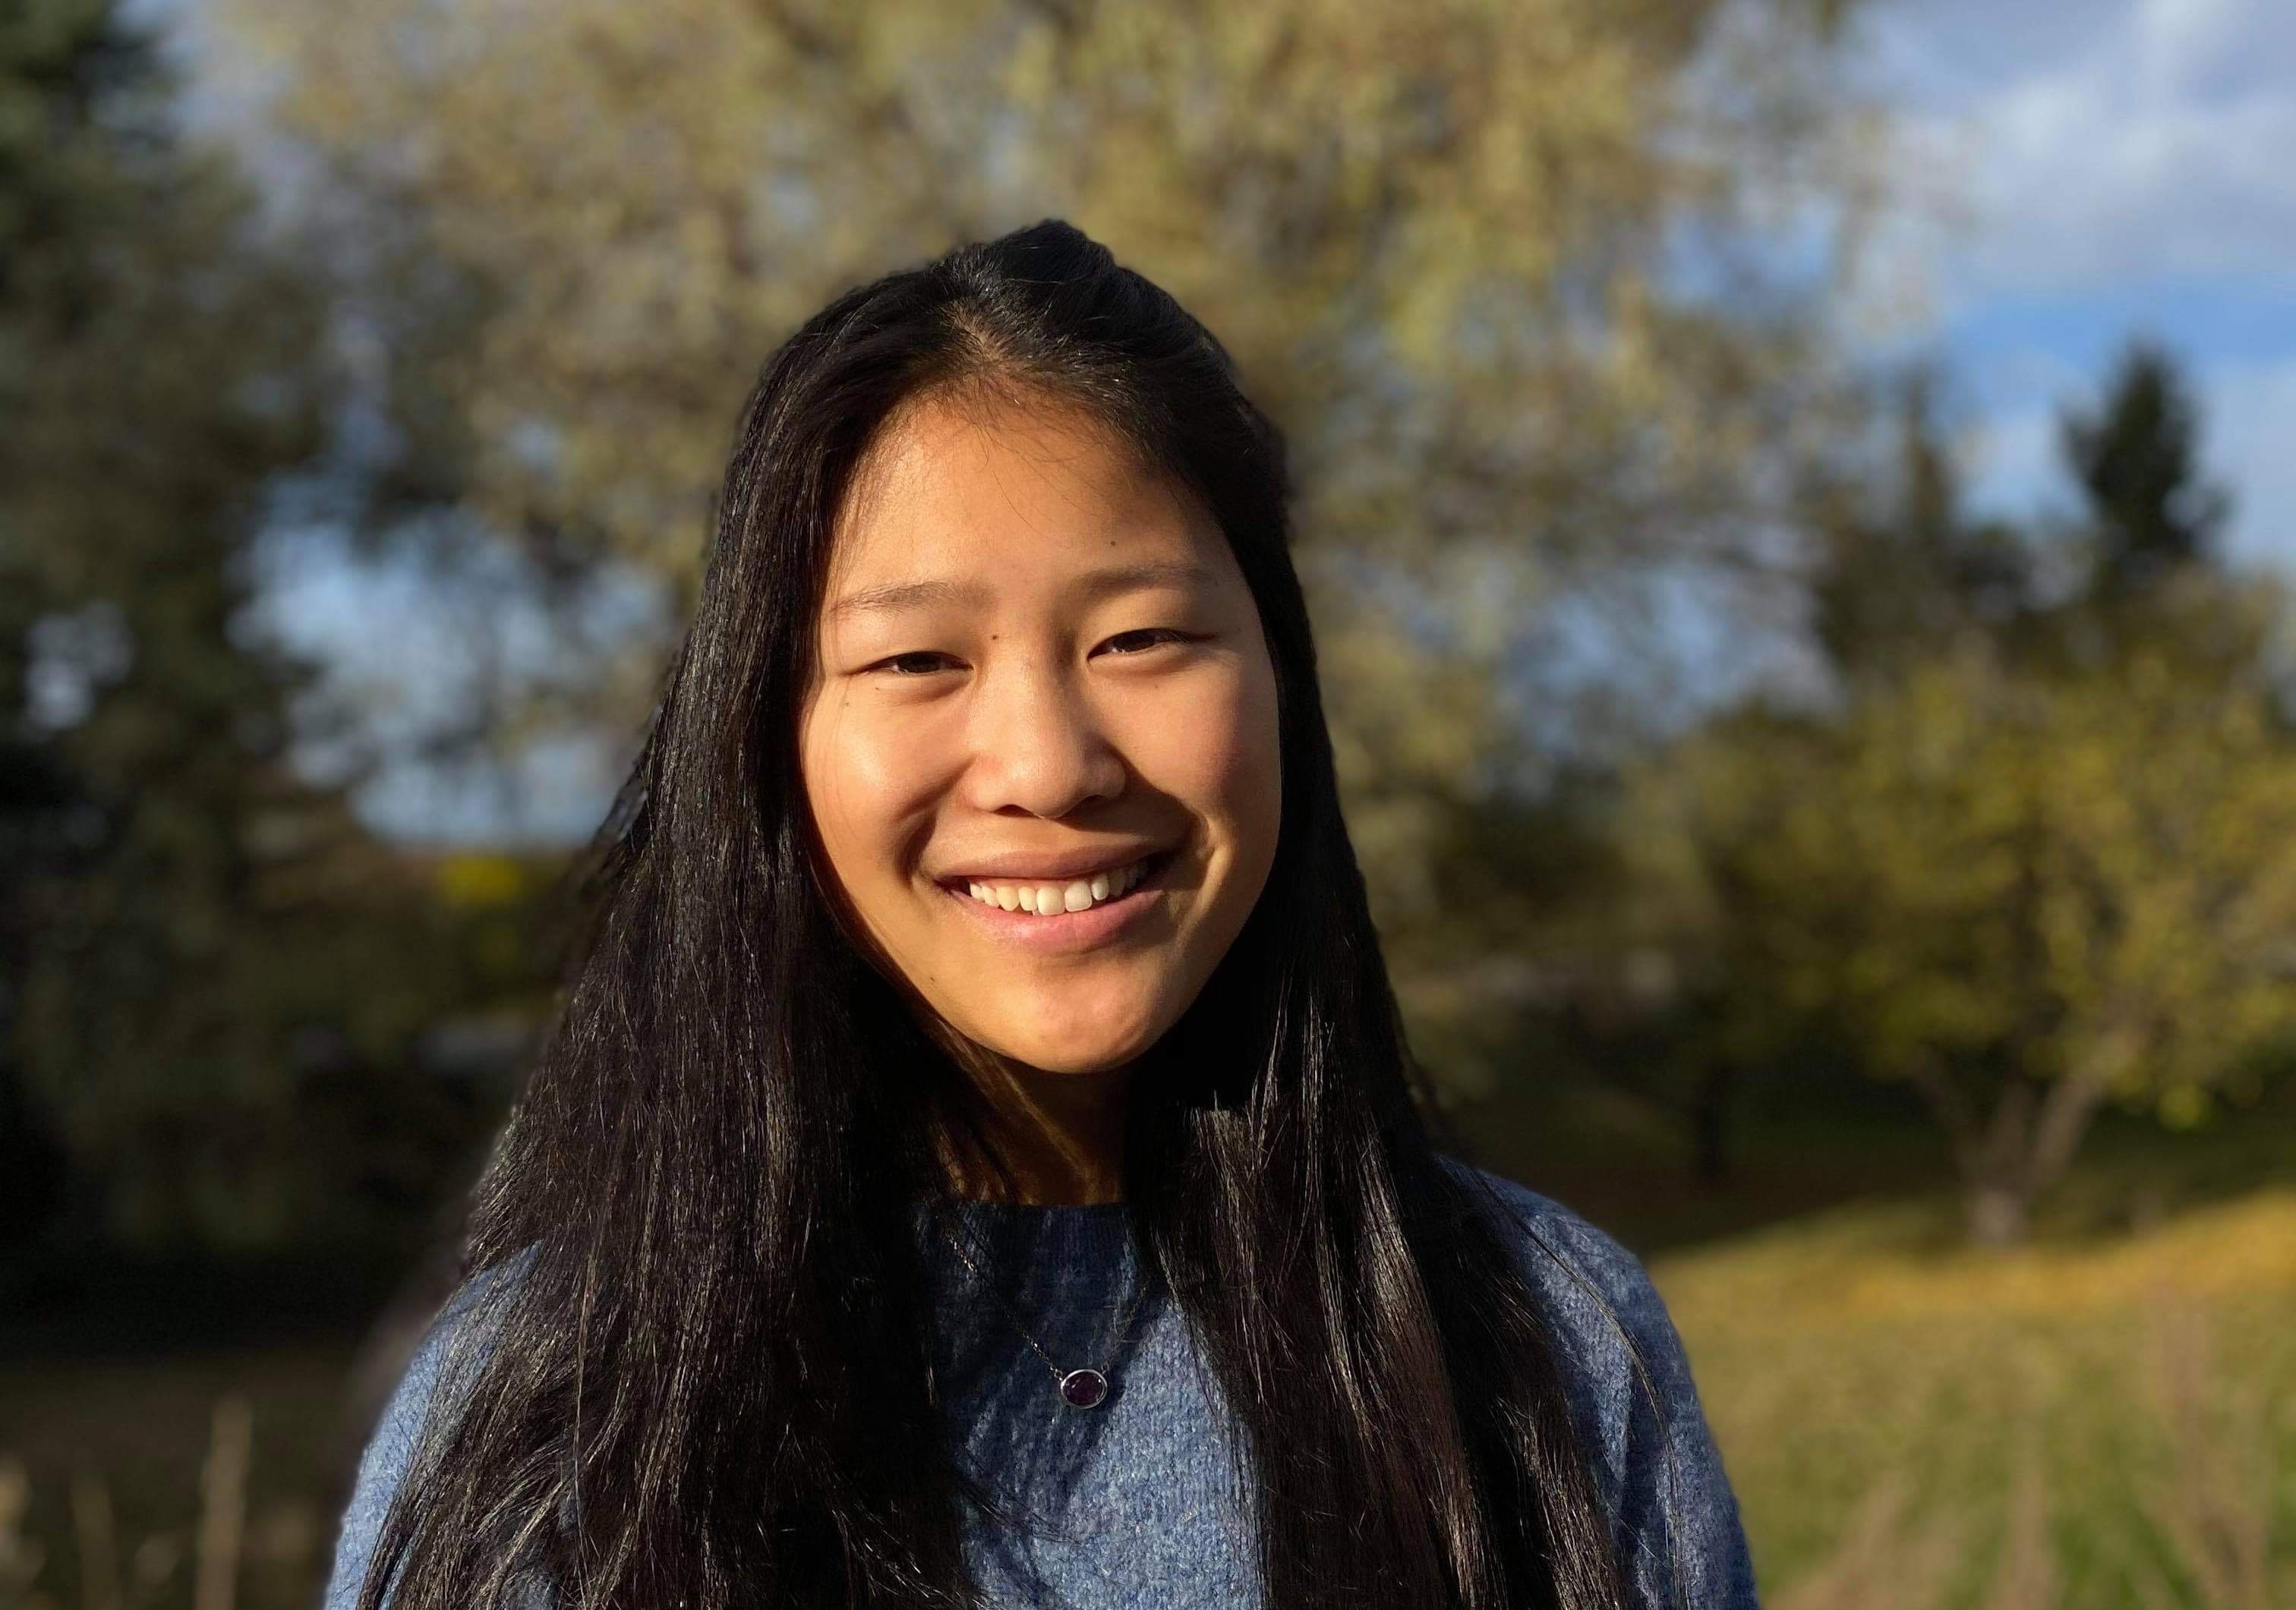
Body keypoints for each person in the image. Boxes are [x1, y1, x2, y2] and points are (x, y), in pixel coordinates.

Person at [323, 219, 1761, 1610]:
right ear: (765, 742)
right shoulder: (560, 1420)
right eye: (916, 660)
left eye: (1141, 637)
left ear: (1281, 682)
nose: (1048, 766)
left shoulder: (1546, 1353)